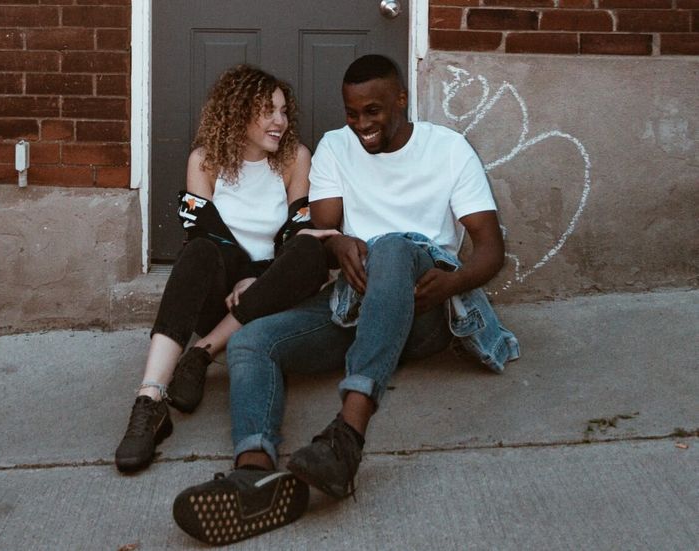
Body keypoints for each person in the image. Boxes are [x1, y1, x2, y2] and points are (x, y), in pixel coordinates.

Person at [172, 55, 519, 545]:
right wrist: (337, 245)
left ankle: (347, 436)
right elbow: (324, 228)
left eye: (372, 111)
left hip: (424, 307)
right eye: (352, 113)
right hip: (354, 303)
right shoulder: (336, 147)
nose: (361, 125)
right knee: (251, 341)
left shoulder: (447, 149)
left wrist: (452, 284)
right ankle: (253, 473)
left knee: (393, 247)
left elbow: (490, 250)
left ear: (401, 100)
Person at [115, 65, 337, 473]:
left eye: (283, 111)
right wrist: (242, 275)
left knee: (309, 249)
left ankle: (202, 352)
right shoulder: (205, 161)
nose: (280, 121)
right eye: (267, 111)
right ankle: (150, 399)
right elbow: (205, 234)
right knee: (198, 251)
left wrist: (258, 277)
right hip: (224, 297)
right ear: (237, 112)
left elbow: (295, 231)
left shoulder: (295, 158)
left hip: (273, 297)